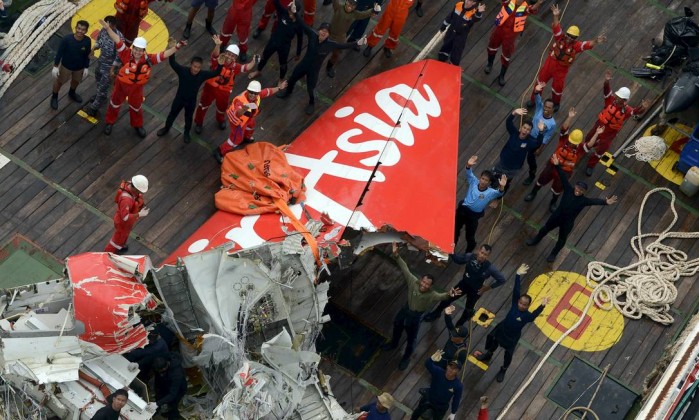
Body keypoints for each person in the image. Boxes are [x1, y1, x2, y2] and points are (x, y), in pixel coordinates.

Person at [382, 242, 462, 370]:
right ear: (421, 280)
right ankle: (394, 343)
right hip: (405, 310)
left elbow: (443, 296)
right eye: (423, 282)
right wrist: (396, 255)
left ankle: (406, 357)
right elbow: (405, 268)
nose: (424, 285)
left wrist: (450, 294)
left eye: (427, 284)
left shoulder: (432, 294)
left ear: (430, 286)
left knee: (411, 339)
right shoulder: (413, 281)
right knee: (397, 325)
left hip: (415, 317)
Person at [99, 19, 180, 137]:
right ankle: (109, 122)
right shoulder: (126, 54)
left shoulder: (149, 59)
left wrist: (176, 48)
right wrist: (108, 28)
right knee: (114, 103)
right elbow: (117, 39)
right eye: (135, 49)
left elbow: (163, 55)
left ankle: (137, 125)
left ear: (144, 51)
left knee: (136, 107)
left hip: (136, 89)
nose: (137, 52)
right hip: (121, 85)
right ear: (133, 49)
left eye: (140, 50)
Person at [525, 158, 618, 261]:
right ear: (575, 187)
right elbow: (563, 177)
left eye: (581, 190)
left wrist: (605, 202)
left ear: (583, 192)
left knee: (561, 240)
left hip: (567, 223)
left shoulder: (584, 201)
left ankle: (554, 254)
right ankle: (535, 240)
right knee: (545, 229)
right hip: (556, 216)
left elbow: (594, 201)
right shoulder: (568, 189)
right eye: (578, 188)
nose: (578, 190)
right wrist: (557, 165)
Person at [474, 264, 549, 382]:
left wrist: (542, 306)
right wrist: (518, 275)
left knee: (508, 355)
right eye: (521, 303)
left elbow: (535, 314)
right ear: (518, 301)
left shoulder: (527, 316)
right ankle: (488, 354)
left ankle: (503, 369)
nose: (522, 305)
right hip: (502, 329)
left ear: (528, 306)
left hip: (511, 338)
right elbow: (517, 289)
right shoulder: (514, 303)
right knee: (493, 341)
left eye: (525, 304)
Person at [528, 4, 606, 111]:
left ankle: (556, 103)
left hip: (561, 70)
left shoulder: (576, 46)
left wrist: (596, 41)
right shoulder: (559, 37)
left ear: (576, 38)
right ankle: (534, 100)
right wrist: (556, 16)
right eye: (569, 35)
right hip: (549, 64)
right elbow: (556, 27)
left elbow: (587, 44)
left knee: (557, 88)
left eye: (573, 37)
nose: (569, 38)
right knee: (539, 83)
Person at [277, 22, 365, 115]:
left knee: (311, 89)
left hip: (314, 71)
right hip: (302, 65)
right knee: (292, 79)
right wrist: (294, 12)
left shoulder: (331, 44)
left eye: (326, 31)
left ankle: (312, 103)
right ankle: (288, 92)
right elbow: (303, 24)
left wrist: (357, 43)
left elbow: (343, 46)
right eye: (322, 30)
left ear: (329, 34)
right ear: (319, 30)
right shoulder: (312, 35)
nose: (324, 32)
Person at [524, 107, 601, 212]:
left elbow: (590, 144)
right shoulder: (564, 139)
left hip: (565, 172)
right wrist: (570, 117)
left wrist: (597, 133)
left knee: (558, 188)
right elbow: (564, 128)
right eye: (571, 141)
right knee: (541, 179)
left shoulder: (580, 149)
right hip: (552, 166)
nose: (571, 144)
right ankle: (533, 193)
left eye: (574, 143)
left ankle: (553, 202)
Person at [582, 70, 650, 176]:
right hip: (600, 125)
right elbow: (606, 91)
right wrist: (606, 81)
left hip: (610, 133)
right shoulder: (610, 100)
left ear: (624, 100)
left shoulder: (626, 110)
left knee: (602, 149)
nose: (617, 98)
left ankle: (591, 164)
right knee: (589, 137)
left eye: (620, 98)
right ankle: (584, 148)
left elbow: (636, 111)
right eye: (617, 96)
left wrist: (643, 108)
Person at [424, 244, 506, 326]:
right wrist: (450, 251)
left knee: (468, 311)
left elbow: (502, 280)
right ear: (478, 251)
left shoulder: (490, 268)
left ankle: (458, 326)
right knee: (448, 298)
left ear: (488, 256)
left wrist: (487, 288)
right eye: (482, 252)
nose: (482, 256)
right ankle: (436, 313)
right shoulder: (470, 256)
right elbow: (458, 260)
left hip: (475, 291)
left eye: (485, 255)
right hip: (463, 284)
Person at [156, 50, 222, 143]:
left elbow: (216, 73)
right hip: (179, 99)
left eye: (198, 67)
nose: (196, 69)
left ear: (201, 68)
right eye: (194, 66)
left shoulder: (202, 75)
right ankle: (166, 128)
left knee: (189, 118)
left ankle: (186, 133)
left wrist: (220, 64)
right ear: (191, 65)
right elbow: (173, 63)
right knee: (172, 114)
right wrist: (173, 50)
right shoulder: (183, 71)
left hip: (191, 102)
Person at [214, 79, 287, 162]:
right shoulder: (240, 101)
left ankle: (246, 137)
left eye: (255, 93)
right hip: (238, 123)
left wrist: (279, 88)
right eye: (251, 92)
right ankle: (219, 151)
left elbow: (268, 91)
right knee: (235, 140)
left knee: (251, 126)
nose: (253, 95)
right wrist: (244, 109)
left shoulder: (258, 95)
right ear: (248, 90)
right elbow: (237, 114)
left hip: (249, 118)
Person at [195, 36, 257, 134]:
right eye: (228, 54)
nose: (229, 57)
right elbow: (215, 55)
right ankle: (198, 122)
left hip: (224, 91)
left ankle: (220, 119)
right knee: (203, 105)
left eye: (233, 56)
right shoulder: (218, 60)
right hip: (210, 88)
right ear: (225, 53)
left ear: (235, 58)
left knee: (222, 108)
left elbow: (246, 67)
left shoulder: (235, 67)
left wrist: (254, 61)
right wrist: (218, 45)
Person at [454, 155, 506, 252]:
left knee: (470, 236)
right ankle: (451, 246)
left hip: (473, 217)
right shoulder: (473, 181)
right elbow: (469, 172)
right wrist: (468, 165)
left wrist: (502, 186)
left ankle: (469, 251)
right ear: (480, 178)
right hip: (462, 211)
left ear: (489, 182)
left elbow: (500, 192)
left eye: (486, 180)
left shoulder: (490, 192)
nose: (483, 181)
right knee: (455, 230)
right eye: (482, 178)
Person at [485, 0, 539, 86]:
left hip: (511, 35)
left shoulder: (525, 7)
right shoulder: (509, 1)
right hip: (499, 29)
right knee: (492, 47)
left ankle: (502, 75)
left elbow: (533, 9)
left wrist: (539, 2)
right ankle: (489, 64)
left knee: (507, 55)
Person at [247, 0, 304, 82]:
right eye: (289, 11)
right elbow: (276, 2)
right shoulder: (283, 13)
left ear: (296, 13)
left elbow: (300, 39)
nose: (290, 14)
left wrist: (298, 53)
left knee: (283, 65)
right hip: (273, 41)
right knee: (264, 57)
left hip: (284, 47)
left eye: (292, 13)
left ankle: (281, 79)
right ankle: (258, 71)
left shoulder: (299, 24)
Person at [325, 0, 378, 78]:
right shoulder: (338, 7)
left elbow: (364, 14)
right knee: (321, 50)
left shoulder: (355, 14)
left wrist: (373, 10)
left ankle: (329, 66)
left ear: (356, 7)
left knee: (336, 55)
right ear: (346, 1)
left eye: (353, 5)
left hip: (341, 38)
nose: (350, 6)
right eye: (350, 3)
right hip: (329, 34)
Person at [83, 16, 123, 118]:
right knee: (98, 79)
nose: (105, 27)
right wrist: (94, 49)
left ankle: (94, 108)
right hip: (101, 62)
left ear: (113, 25)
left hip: (109, 67)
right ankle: (101, 97)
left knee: (103, 86)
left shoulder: (118, 37)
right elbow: (99, 40)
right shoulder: (104, 30)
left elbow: (119, 56)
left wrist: (113, 69)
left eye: (107, 25)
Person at [493, 108, 544, 186]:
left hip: (513, 169)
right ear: (520, 128)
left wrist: (541, 132)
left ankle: (501, 194)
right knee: (493, 178)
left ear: (530, 132)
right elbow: (508, 122)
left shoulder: (529, 141)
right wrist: (514, 113)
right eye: (524, 128)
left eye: (528, 129)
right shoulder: (513, 133)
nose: (525, 130)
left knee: (506, 184)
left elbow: (538, 143)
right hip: (502, 163)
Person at [50, 20, 91, 110]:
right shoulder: (66, 39)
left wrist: (86, 67)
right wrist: (55, 66)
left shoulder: (87, 41)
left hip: (79, 68)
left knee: (76, 81)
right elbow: (59, 53)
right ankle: (54, 97)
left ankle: (72, 93)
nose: (80, 31)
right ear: (75, 28)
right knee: (59, 82)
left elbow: (87, 55)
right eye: (79, 28)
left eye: (83, 30)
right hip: (66, 66)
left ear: (86, 31)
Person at [522, 82, 557, 186]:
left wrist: (540, 148)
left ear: (553, 109)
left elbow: (547, 136)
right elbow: (537, 98)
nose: (546, 109)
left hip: (536, 141)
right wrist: (537, 90)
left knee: (531, 159)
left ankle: (531, 175)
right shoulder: (539, 108)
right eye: (545, 106)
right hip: (526, 135)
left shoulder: (552, 124)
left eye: (549, 107)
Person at [410, 353, 463, 420]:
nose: (451, 369)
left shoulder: (458, 386)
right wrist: (431, 359)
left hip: (441, 406)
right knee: (416, 413)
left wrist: (453, 413)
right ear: (447, 366)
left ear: (458, 371)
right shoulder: (438, 372)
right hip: (429, 399)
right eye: (450, 366)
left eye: (454, 369)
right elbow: (427, 364)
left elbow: (456, 400)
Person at [105, 175, 149, 254]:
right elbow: (125, 217)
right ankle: (106, 254)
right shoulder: (126, 200)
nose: (141, 193)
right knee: (117, 240)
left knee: (124, 236)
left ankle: (121, 245)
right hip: (122, 223)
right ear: (135, 188)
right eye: (140, 190)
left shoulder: (130, 185)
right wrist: (139, 214)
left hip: (127, 223)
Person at [437, 0, 485, 66]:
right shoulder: (458, 4)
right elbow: (450, 16)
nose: (467, 1)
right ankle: (442, 57)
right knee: (446, 44)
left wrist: (479, 12)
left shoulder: (473, 13)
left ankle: (453, 65)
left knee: (457, 51)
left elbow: (475, 19)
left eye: (470, 1)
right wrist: (444, 25)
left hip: (461, 36)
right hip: (451, 31)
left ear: (473, 3)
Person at [153, 355, 187, 420]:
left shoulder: (176, 374)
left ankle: (173, 417)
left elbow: (172, 394)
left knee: (173, 404)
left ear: (163, 369)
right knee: (162, 398)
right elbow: (158, 378)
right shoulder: (162, 363)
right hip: (167, 384)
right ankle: (159, 410)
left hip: (178, 390)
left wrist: (157, 403)